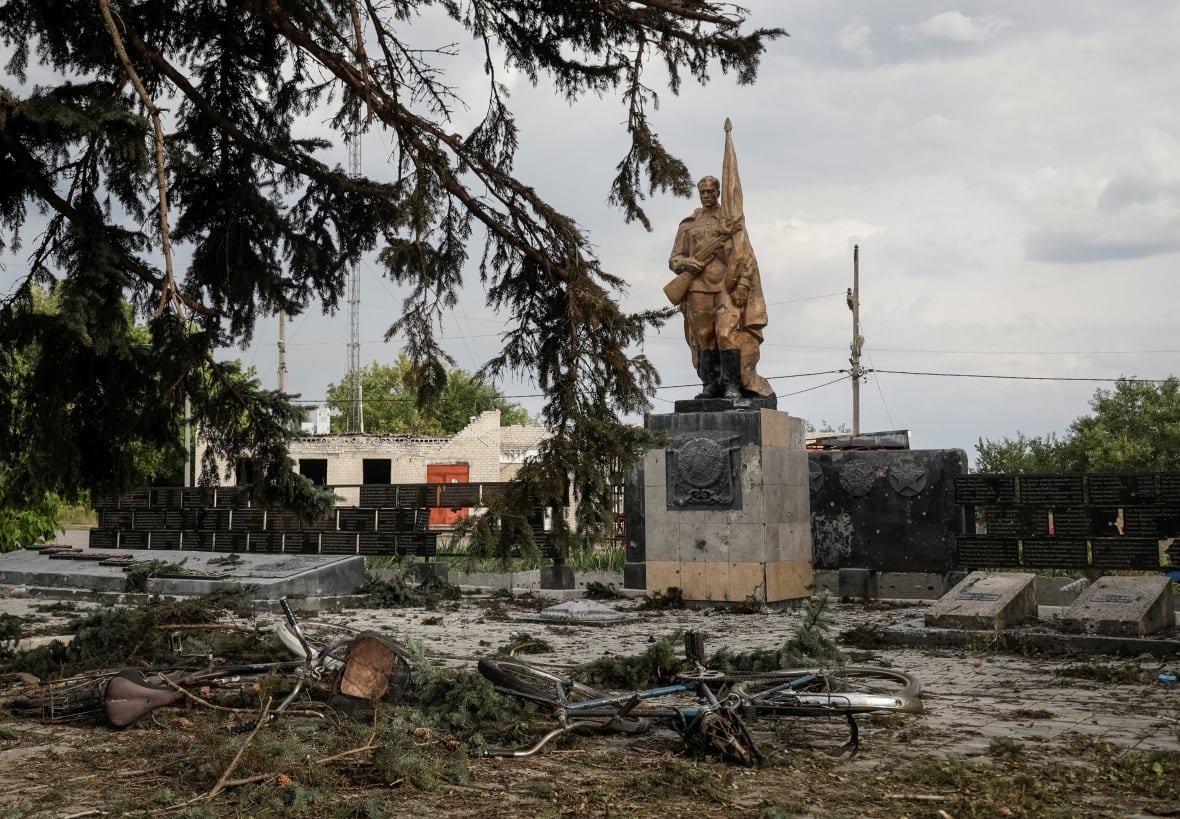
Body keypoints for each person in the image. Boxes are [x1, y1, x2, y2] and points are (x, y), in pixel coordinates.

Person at [666, 174, 774, 404]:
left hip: (726, 285)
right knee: (704, 337)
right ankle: (710, 385)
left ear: (718, 192)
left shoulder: (729, 221)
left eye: (710, 191)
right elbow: (674, 259)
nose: (706, 196)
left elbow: (745, 256)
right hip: (697, 287)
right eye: (702, 192)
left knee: (726, 334)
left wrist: (743, 285)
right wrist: (686, 263)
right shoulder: (688, 224)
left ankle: (732, 384)